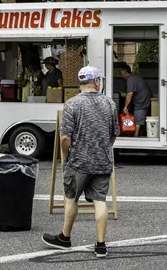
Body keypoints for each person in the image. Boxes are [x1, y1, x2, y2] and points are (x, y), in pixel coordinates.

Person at [42, 66, 119, 258]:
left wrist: (66, 157)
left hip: (78, 161)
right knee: (100, 201)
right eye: (99, 80)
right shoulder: (109, 103)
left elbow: (65, 138)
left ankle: (65, 238)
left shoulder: (72, 104)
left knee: (71, 198)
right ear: (96, 82)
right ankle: (101, 245)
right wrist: (105, 147)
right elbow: (114, 132)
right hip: (102, 160)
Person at [120, 65, 152, 137]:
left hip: (141, 100)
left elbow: (129, 94)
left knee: (138, 116)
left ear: (125, 73)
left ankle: (136, 136)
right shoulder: (135, 77)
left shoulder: (130, 80)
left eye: (121, 73)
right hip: (144, 98)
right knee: (140, 117)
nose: (120, 75)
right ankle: (140, 134)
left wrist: (125, 107)